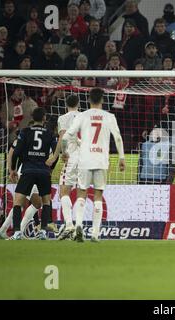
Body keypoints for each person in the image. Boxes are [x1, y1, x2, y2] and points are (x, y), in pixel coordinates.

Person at [62, 88, 125, 242]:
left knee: (81, 193)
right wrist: (121, 157)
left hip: (85, 160)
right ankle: (95, 234)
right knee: (98, 195)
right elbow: (118, 138)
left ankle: (78, 225)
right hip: (101, 160)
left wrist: (65, 152)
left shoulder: (82, 116)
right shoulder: (109, 116)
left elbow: (65, 137)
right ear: (102, 100)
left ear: (89, 100)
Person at [9, 107, 57, 240]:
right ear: (44, 118)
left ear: (32, 118)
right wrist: (51, 166)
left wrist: (13, 169)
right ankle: (42, 231)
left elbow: (16, 152)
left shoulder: (25, 132)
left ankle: (17, 232)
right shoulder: (50, 133)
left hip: (28, 170)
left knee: (18, 202)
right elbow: (55, 153)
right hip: (43, 171)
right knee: (46, 202)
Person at [46, 95, 81, 240]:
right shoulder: (85, 117)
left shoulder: (63, 118)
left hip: (72, 157)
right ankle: (79, 226)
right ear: (79, 104)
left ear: (66, 104)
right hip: (85, 158)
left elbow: (62, 138)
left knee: (64, 191)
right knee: (81, 193)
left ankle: (69, 225)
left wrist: (57, 155)